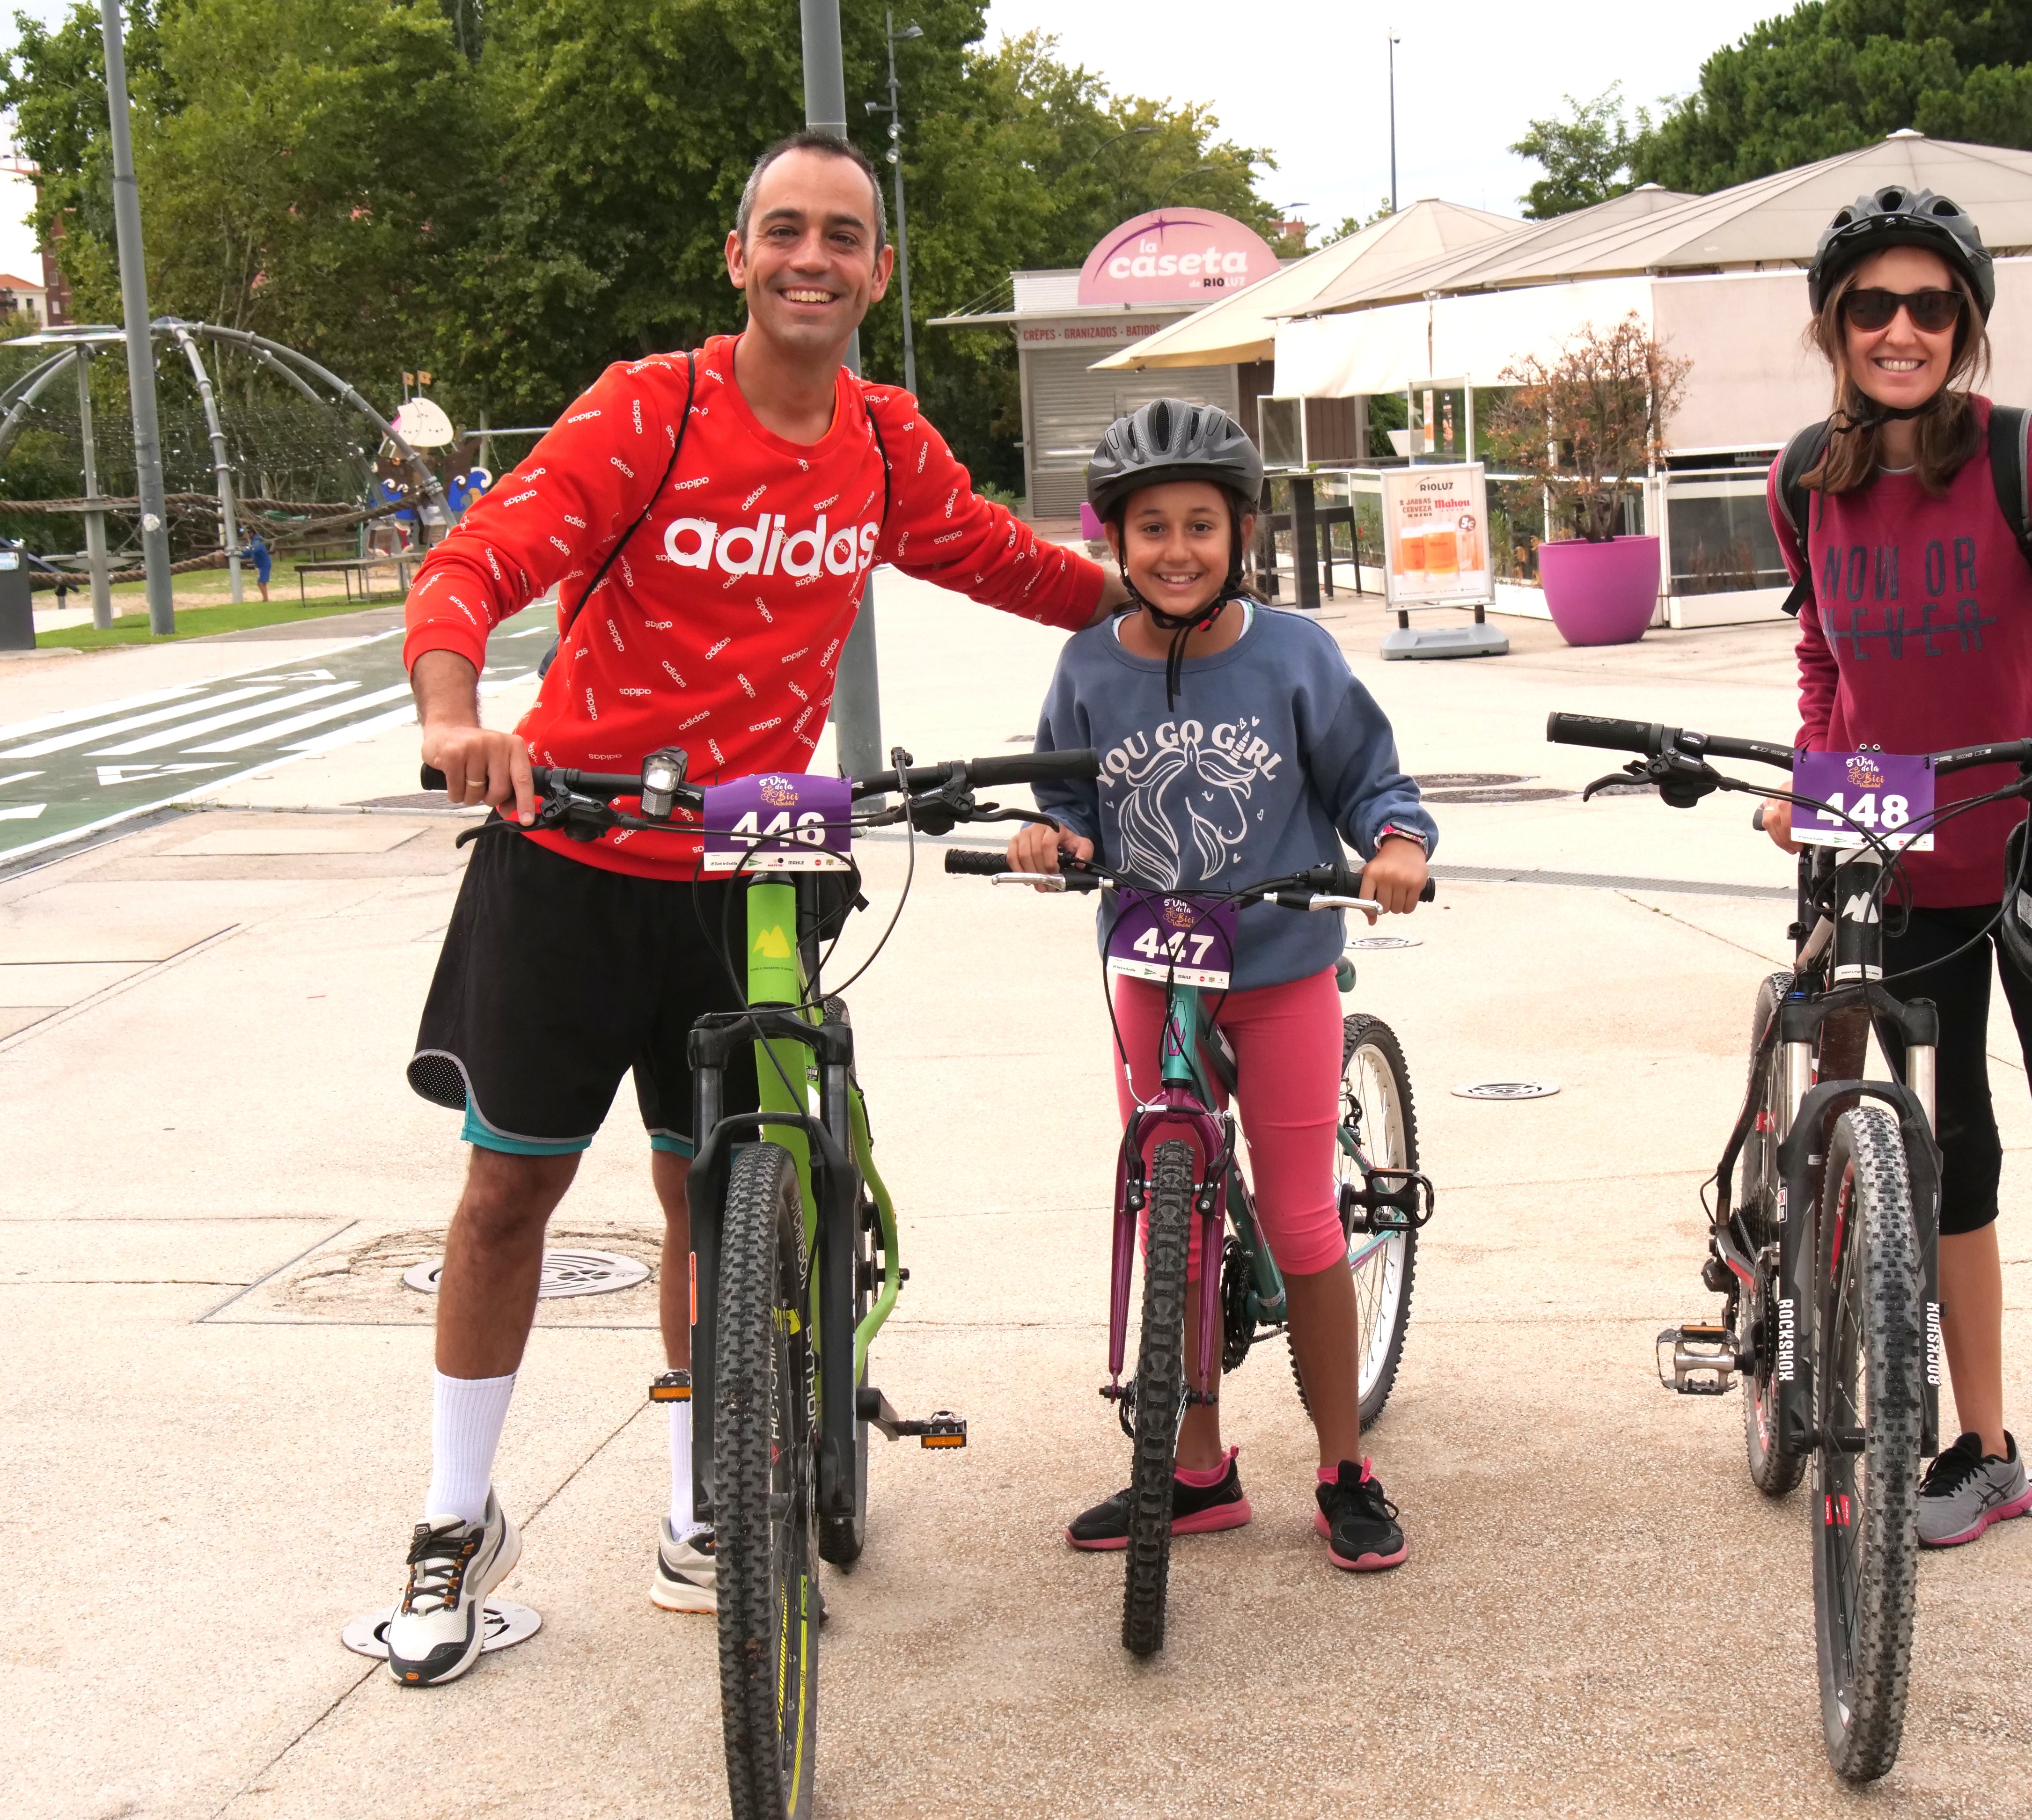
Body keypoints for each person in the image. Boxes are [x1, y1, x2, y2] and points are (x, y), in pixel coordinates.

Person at [388, 128, 1129, 1688]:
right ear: (739, 258)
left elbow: (1002, 558)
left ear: (874, 271)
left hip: (751, 878)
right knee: (504, 1197)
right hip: (572, 855)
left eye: (842, 237)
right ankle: (456, 1513)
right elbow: (477, 561)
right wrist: (460, 717)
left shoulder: (878, 439)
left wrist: (1168, 598)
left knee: (707, 1203)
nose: (811, 258)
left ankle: (701, 1506)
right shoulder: (647, 408)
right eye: (782, 231)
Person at [1761, 187, 2032, 1569]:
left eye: (1932, 307)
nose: (1903, 330)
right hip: (1909, 864)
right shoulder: (1804, 481)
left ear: (1966, 327)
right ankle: (1987, 1444)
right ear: (1835, 328)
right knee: (1948, 1162)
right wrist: (1815, 782)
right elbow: (1829, 664)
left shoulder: (2030, 455)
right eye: (1874, 307)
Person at [1004, 399, 1436, 1573]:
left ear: (1240, 531)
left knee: (1300, 1220)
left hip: (1280, 968)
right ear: (1115, 541)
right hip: (1151, 970)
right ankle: (1194, 1468)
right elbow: (1066, 799)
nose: (1177, 549)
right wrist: (1050, 841)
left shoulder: (1293, 650)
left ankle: (1343, 1464)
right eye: (1151, 528)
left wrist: (1395, 844)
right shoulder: (1088, 662)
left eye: (1201, 524)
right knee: (1171, 1212)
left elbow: (1366, 778)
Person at [242, 531, 271, 603]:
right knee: (263, 583)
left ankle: (266, 600)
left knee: (261, 583)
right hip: (262, 565)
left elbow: (256, 550)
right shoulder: (253, 543)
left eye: (245, 534)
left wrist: (246, 550)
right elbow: (248, 553)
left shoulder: (257, 541)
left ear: (251, 534)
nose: (244, 536)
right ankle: (266, 599)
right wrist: (239, 555)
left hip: (265, 564)